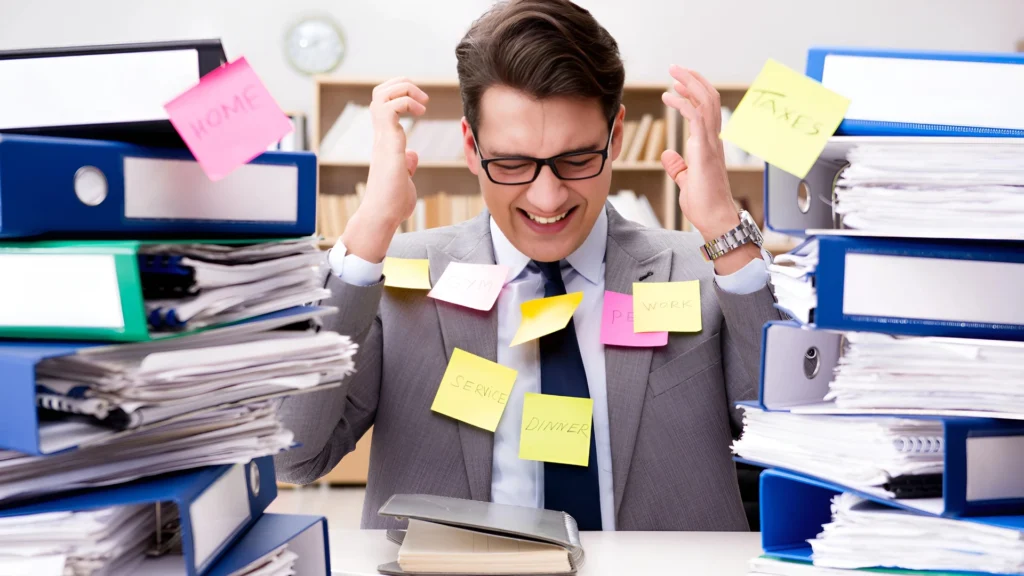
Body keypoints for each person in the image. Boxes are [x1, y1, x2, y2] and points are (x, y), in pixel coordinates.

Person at [276, 0, 784, 531]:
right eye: (513, 163)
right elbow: (296, 455)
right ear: (472, 149)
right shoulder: (397, 278)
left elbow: (789, 443)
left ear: (616, 139)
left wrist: (727, 232)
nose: (547, 197)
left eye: (576, 159)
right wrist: (370, 231)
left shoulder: (706, 273)